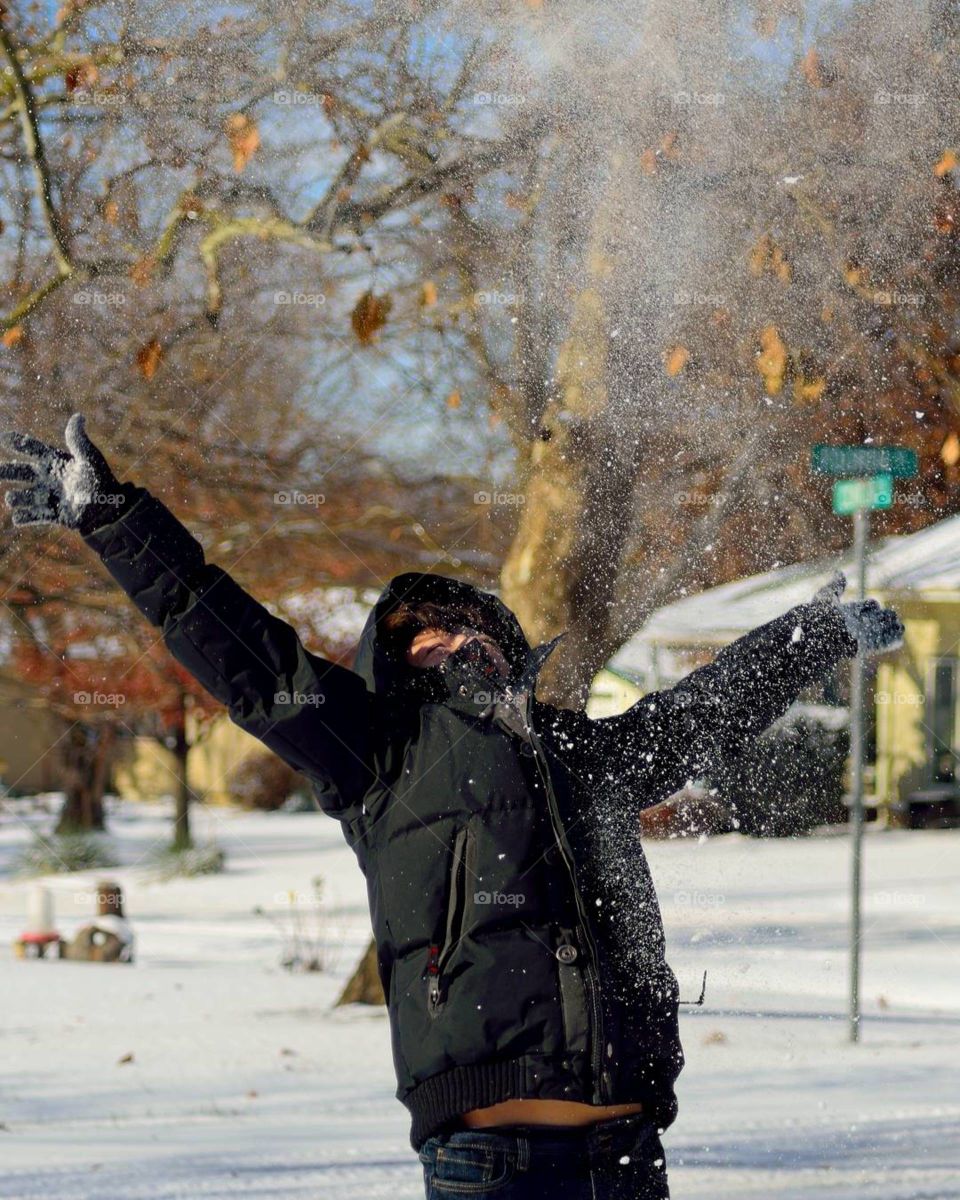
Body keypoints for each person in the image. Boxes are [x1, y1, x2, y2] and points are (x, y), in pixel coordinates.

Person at [1, 414, 904, 1199]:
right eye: (428, 637)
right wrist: (116, 520)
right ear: (394, 669)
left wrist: (812, 637)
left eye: (474, 628)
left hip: (628, 1153)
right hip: (491, 1160)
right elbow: (245, 653)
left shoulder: (580, 754)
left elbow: (698, 714)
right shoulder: (376, 754)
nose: (459, 640)